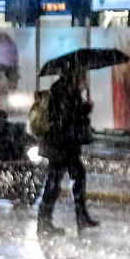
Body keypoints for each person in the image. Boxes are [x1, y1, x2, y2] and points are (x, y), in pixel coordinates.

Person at [36, 66, 100, 237]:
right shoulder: (64, 92)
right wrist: (85, 109)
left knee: (74, 177)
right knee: (55, 181)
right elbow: (66, 119)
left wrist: (83, 108)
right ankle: (45, 221)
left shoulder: (67, 91)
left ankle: (79, 216)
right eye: (82, 74)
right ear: (74, 75)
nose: (85, 78)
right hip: (61, 145)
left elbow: (69, 117)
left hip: (65, 145)